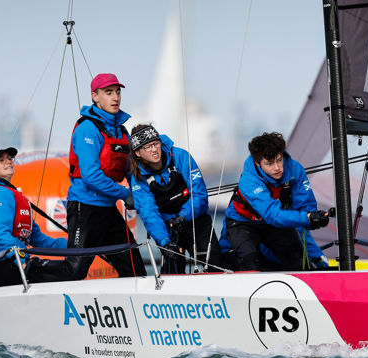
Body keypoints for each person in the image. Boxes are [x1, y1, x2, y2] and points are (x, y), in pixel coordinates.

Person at [66, 73, 145, 278]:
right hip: (85, 208)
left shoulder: (121, 131)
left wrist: (142, 193)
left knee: (135, 269)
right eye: (108, 92)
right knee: (74, 271)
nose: (115, 97)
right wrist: (124, 194)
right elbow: (91, 175)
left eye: (118, 92)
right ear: (95, 96)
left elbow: (130, 170)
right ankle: (33, 271)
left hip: (108, 209)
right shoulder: (87, 129)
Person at [223, 132, 331, 271]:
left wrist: (314, 220)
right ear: (258, 163)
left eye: (279, 160)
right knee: (251, 265)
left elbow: (305, 210)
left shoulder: (295, 169)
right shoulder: (248, 180)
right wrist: (307, 218)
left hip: (273, 223)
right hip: (243, 224)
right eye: (269, 163)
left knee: (298, 262)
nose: (277, 168)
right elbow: (273, 215)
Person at [128, 124, 228, 273]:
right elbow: (149, 212)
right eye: (147, 147)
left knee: (214, 265)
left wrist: (182, 216)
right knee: (172, 271)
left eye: (156, 143)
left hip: (196, 221)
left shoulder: (181, 156)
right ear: (137, 153)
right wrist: (165, 242)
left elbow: (199, 194)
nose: (154, 149)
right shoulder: (137, 178)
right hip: (168, 228)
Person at [0, 148, 72, 288]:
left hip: (12, 262)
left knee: (68, 270)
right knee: (69, 271)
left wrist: (74, 245)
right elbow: (1, 234)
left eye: (10, 158)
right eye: (1, 160)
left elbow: (39, 240)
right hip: (1, 264)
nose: (8, 162)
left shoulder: (15, 195)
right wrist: (22, 260)